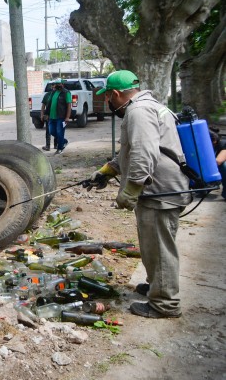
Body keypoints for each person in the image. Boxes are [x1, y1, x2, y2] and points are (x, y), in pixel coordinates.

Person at [84, 70, 191, 319]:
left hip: (160, 191)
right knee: (152, 244)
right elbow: (131, 151)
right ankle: (157, 287)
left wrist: (131, 190)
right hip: (161, 188)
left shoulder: (138, 111)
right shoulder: (147, 106)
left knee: (160, 248)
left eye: (108, 96)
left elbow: (144, 153)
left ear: (117, 94)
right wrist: (107, 171)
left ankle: (165, 304)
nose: (108, 101)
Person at [43, 80, 72, 154]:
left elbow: (69, 105)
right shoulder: (53, 92)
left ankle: (60, 149)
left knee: (60, 132)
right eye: (56, 84)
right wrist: (46, 114)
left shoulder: (66, 93)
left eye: (58, 83)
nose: (57, 85)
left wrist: (67, 117)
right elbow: (49, 104)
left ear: (62, 84)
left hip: (61, 116)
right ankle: (64, 141)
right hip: (52, 117)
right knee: (51, 131)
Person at [40, 80, 59, 151]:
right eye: (53, 85)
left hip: (57, 115)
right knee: (48, 131)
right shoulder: (47, 95)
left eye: (55, 85)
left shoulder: (60, 95)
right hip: (49, 116)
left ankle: (56, 145)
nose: (54, 87)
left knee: (57, 130)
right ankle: (48, 146)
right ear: (51, 86)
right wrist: (42, 115)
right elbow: (43, 106)